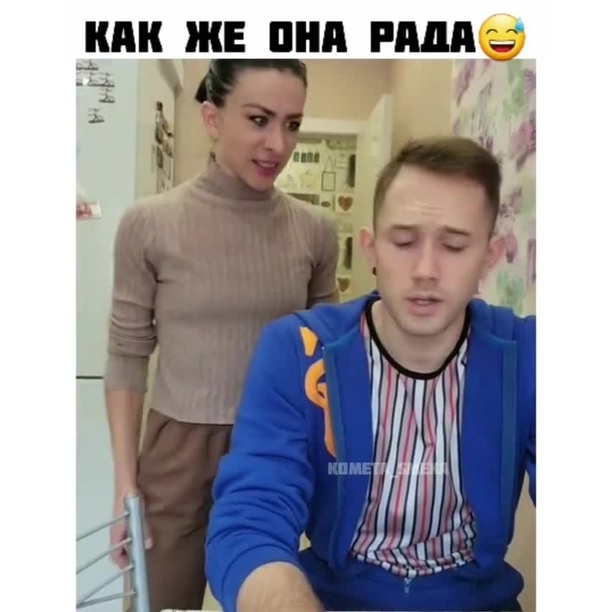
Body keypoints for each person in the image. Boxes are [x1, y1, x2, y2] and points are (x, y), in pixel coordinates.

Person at [206, 136, 536, 612]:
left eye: (454, 246)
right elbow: (250, 520)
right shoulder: (299, 351)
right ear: (371, 249)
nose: (425, 270)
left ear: (489, 256)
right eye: (403, 242)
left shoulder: (528, 354)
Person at [104, 59, 339, 612]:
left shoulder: (315, 231)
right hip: (177, 452)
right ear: (212, 118)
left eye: (292, 124)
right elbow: (126, 355)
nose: (277, 144)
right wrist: (125, 483)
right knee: (162, 602)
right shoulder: (150, 223)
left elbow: (326, 356)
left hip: (278, 446)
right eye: (259, 119)